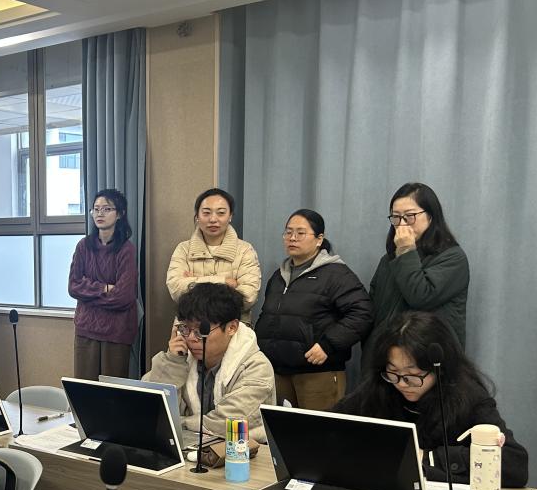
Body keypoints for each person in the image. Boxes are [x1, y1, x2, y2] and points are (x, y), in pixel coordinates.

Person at [336, 311, 528, 488]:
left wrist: (428, 458)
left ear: (440, 368)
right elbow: (328, 425)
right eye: (393, 372)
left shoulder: (469, 397)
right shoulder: (380, 387)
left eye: (413, 375)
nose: (402, 383)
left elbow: (514, 464)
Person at [255, 209, 373, 410]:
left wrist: (328, 345)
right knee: (280, 428)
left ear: (319, 239)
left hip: (318, 374)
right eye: (288, 232)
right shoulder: (278, 275)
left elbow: (363, 313)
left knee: (318, 429)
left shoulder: (336, 274)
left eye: (300, 233)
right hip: (277, 372)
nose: (292, 238)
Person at [144, 283, 275, 444]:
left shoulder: (257, 368)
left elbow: (226, 423)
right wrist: (172, 362)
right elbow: (152, 411)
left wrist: (181, 423)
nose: (191, 338)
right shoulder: (181, 357)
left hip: (240, 452)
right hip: (191, 448)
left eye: (201, 331)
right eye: (185, 328)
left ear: (232, 327)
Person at [368, 182, 470, 348]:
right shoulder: (388, 260)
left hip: (429, 354)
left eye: (409, 216)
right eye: (396, 217)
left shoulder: (452, 257)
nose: (402, 224)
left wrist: (406, 249)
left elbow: (420, 297)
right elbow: (373, 307)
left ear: (430, 216)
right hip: (387, 353)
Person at [67, 189, 138, 380]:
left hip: (117, 331)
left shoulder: (126, 249)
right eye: (96, 209)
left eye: (107, 209)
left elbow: (124, 297)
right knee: (83, 388)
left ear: (119, 214)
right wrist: (104, 288)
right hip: (86, 329)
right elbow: (73, 286)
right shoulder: (83, 246)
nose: (100, 213)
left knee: (111, 391)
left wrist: (88, 295)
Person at [167, 188, 262, 323]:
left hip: (232, 329)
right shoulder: (183, 249)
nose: (213, 219)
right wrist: (224, 281)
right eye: (206, 213)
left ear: (230, 216)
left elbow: (248, 297)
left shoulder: (245, 250)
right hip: (190, 329)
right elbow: (176, 290)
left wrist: (195, 281)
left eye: (221, 213)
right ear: (197, 216)